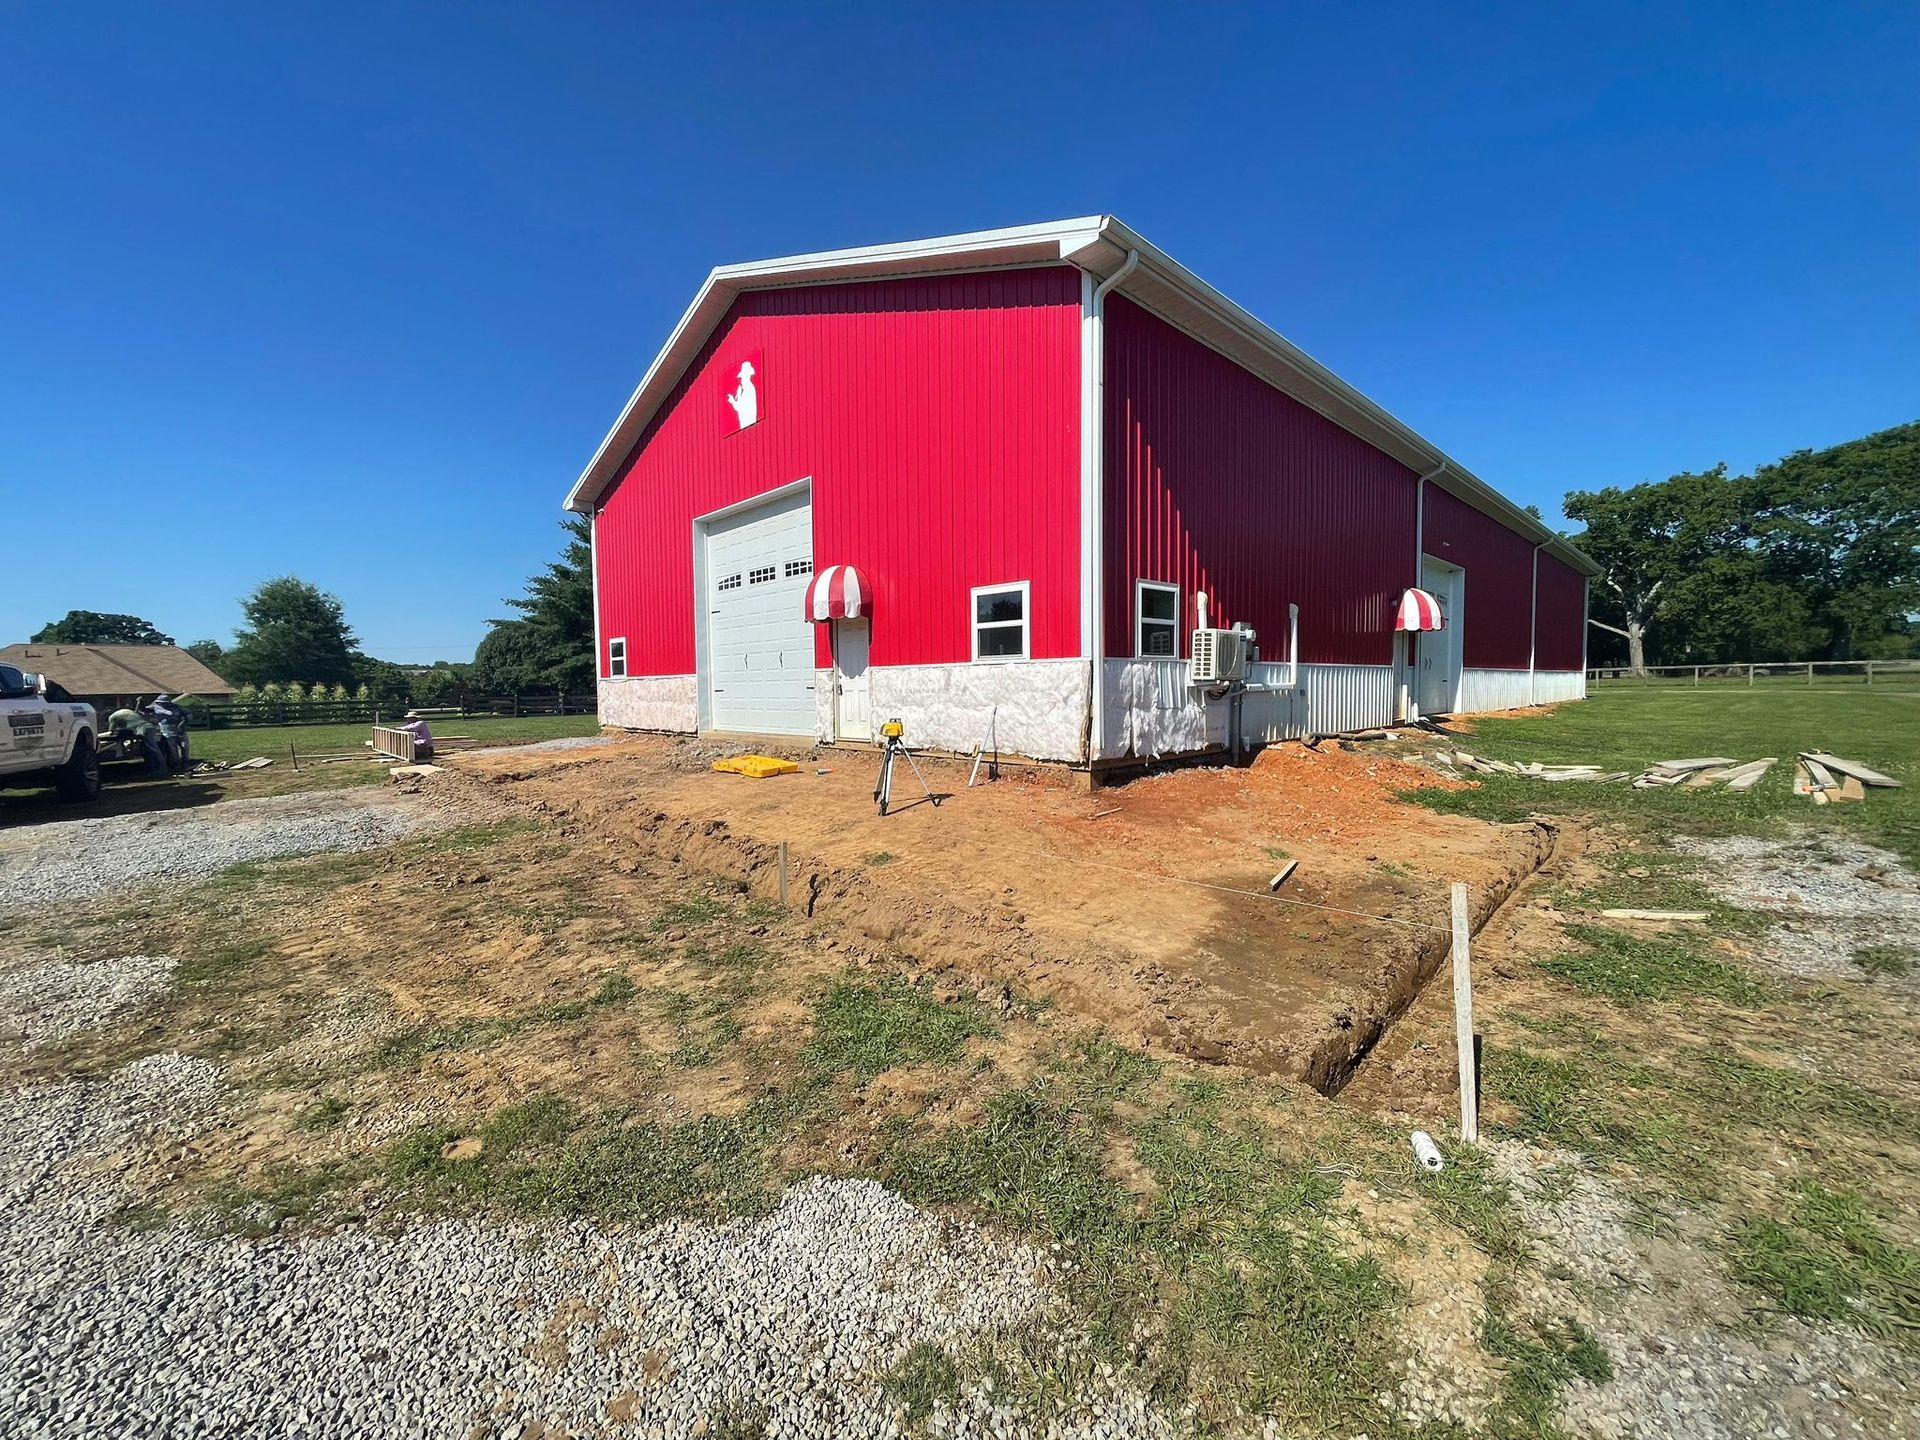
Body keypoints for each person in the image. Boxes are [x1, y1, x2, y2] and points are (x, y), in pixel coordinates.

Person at [107, 705, 170, 778]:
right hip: (148, 727)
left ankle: (162, 769)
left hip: (144, 729)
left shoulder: (112, 717)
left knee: (154, 750)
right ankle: (154, 768)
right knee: (150, 750)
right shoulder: (125, 711)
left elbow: (111, 731)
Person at [146, 694, 191, 773]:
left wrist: (184, 721)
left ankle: (185, 762)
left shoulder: (177, 707)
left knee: (185, 746)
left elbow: (188, 713)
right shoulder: (156, 708)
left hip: (180, 730)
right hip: (167, 731)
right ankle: (176, 764)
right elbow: (145, 710)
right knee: (173, 749)